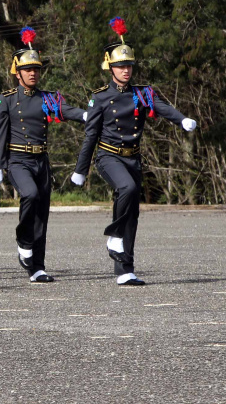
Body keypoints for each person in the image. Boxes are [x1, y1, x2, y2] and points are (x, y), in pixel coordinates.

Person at [71, 17, 197, 285]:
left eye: (128, 65)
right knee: (126, 188)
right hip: (108, 156)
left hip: (133, 157)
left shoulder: (142, 93)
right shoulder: (100, 97)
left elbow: (161, 107)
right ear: (110, 68)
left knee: (133, 214)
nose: (125, 70)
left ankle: (124, 270)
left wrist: (181, 119)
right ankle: (114, 237)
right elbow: (90, 134)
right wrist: (81, 170)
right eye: (120, 65)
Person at [0, 27, 86, 283]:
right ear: (17, 72)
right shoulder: (6, 100)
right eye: (28, 70)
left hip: (41, 160)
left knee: (42, 212)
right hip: (18, 160)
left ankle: (37, 267)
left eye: (36, 69)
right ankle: (23, 239)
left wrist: (87, 115)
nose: (33, 73)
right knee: (30, 195)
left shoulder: (47, 97)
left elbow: (66, 109)